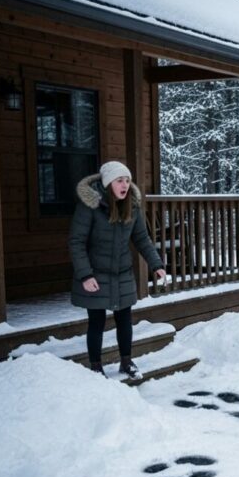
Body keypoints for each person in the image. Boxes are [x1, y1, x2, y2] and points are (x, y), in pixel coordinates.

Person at [69, 161, 166, 380]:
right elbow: (76, 242)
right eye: (119, 180)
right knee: (96, 321)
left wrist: (156, 264)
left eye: (127, 180)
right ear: (107, 183)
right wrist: (85, 275)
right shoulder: (89, 206)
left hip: (122, 273)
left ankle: (126, 362)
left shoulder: (131, 205)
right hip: (95, 273)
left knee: (124, 319)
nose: (124, 185)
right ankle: (96, 367)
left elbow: (142, 238)